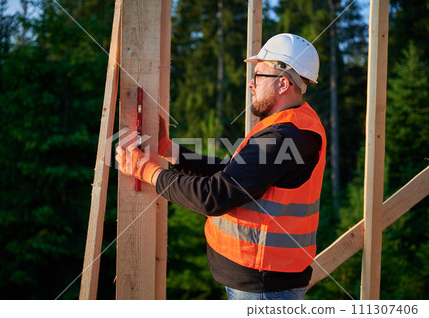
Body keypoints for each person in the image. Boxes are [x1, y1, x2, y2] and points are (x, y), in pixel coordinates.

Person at [115, 33, 326, 300]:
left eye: (259, 75)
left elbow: (214, 195)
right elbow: (233, 172)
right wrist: (169, 150)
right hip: (264, 281)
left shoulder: (284, 136)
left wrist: (147, 171)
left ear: (283, 83)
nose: (251, 83)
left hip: (263, 287)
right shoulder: (291, 126)